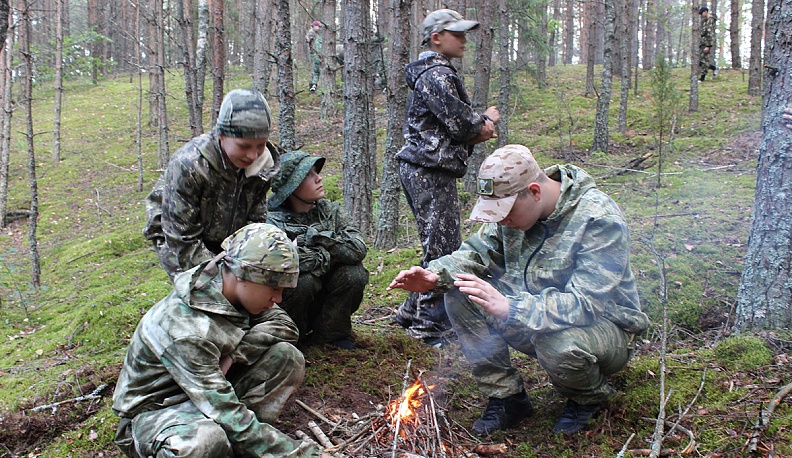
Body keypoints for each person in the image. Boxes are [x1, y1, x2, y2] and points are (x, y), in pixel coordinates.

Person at [387, 145, 650, 435]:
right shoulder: (512, 214)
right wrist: (434, 275)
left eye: (506, 212)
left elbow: (585, 304)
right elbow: (476, 253)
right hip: (533, 315)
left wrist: (512, 307)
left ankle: (589, 398)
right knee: (461, 290)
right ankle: (507, 397)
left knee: (558, 344)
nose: (502, 220)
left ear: (535, 192)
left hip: (603, 330)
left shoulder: (598, 218)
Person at [113, 223, 332, 458]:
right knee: (205, 442)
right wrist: (302, 455)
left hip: (207, 395)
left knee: (286, 357)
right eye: (274, 288)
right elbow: (223, 409)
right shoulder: (187, 329)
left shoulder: (232, 288)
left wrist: (235, 356)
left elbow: (285, 326)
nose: (277, 299)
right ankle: (241, 443)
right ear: (243, 276)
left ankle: (247, 445)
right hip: (157, 412)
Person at [393, 8, 501, 347]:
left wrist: (474, 129)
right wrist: (484, 121)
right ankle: (428, 329)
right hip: (427, 170)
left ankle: (411, 314)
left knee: (438, 247)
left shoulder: (435, 72)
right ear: (436, 37)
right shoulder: (436, 73)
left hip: (429, 169)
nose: (465, 40)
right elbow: (460, 124)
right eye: (458, 34)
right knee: (442, 251)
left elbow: (450, 128)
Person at [143, 88, 282, 281]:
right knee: (208, 294)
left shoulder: (262, 165)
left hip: (226, 237)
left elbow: (255, 221)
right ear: (221, 135)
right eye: (244, 146)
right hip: (176, 238)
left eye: (260, 145)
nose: (253, 155)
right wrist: (220, 277)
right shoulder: (190, 165)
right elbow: (181, 238)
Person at [267, 151, 369, 350]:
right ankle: (291, 338)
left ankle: (331, 337)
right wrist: (332, 255)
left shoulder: (331, 211)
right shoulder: (272, 221)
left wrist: (317, 237)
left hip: (325, 299)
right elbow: (287, 263)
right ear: (291, 186)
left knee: (354, 274)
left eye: (316, 172)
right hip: (288, 303)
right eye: (308, 174)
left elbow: (357, 250)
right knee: (302, 281)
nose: (319, 178)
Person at [698, 6, 718, 82]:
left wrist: (708, 45)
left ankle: (702, 78)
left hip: (706, 43)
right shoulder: (704, 21)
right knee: (700, 60)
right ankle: (714, 68)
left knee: (704, 60)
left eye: (702, 13)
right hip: (702, 43)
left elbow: (710, 33)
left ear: (706, 12)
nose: (701, 15)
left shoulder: (710, 20)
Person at [306, 20, 323, 92]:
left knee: (315, 70)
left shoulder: (316, 33)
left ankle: (313, 85)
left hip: (316, 53)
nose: (319, 27)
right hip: (314, 53)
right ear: (314, 26)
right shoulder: (311, 32)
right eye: (318, 26)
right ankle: (313, 85)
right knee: (315, 70)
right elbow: (307, 39)